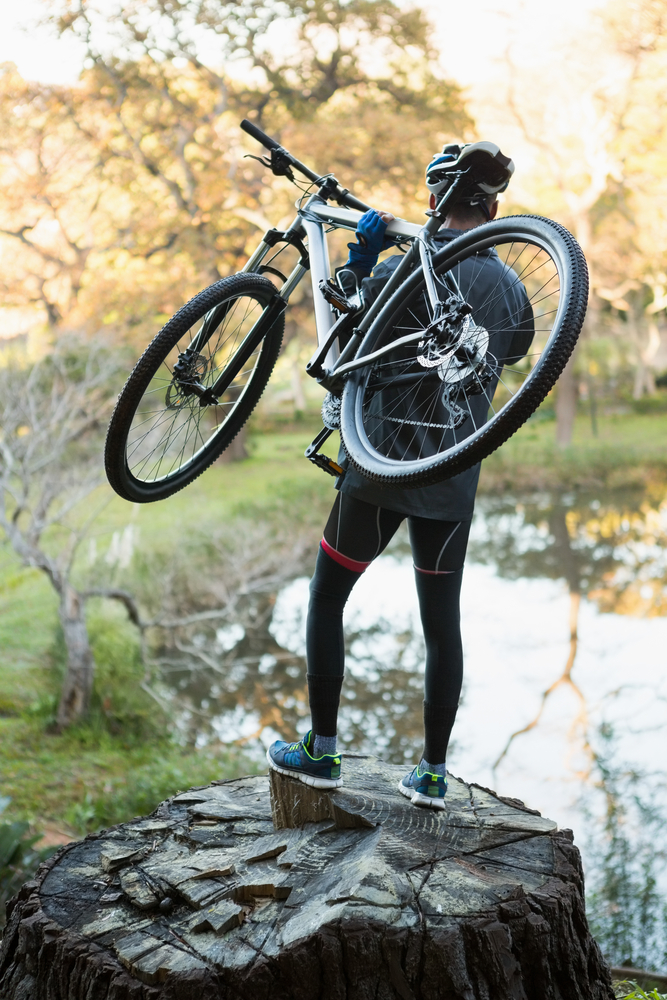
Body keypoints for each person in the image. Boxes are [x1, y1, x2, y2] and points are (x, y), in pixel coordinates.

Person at [267, 142, 534, 809]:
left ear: (431, 201)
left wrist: (359, 258)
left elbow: (350, 329)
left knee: (329, 596)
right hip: (450, 476)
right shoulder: (511, 287)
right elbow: (523, 347)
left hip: (378, 466)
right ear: (494, 206)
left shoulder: (402, 266)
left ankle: (320, 750)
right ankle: (433, 774)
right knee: (441, 625)